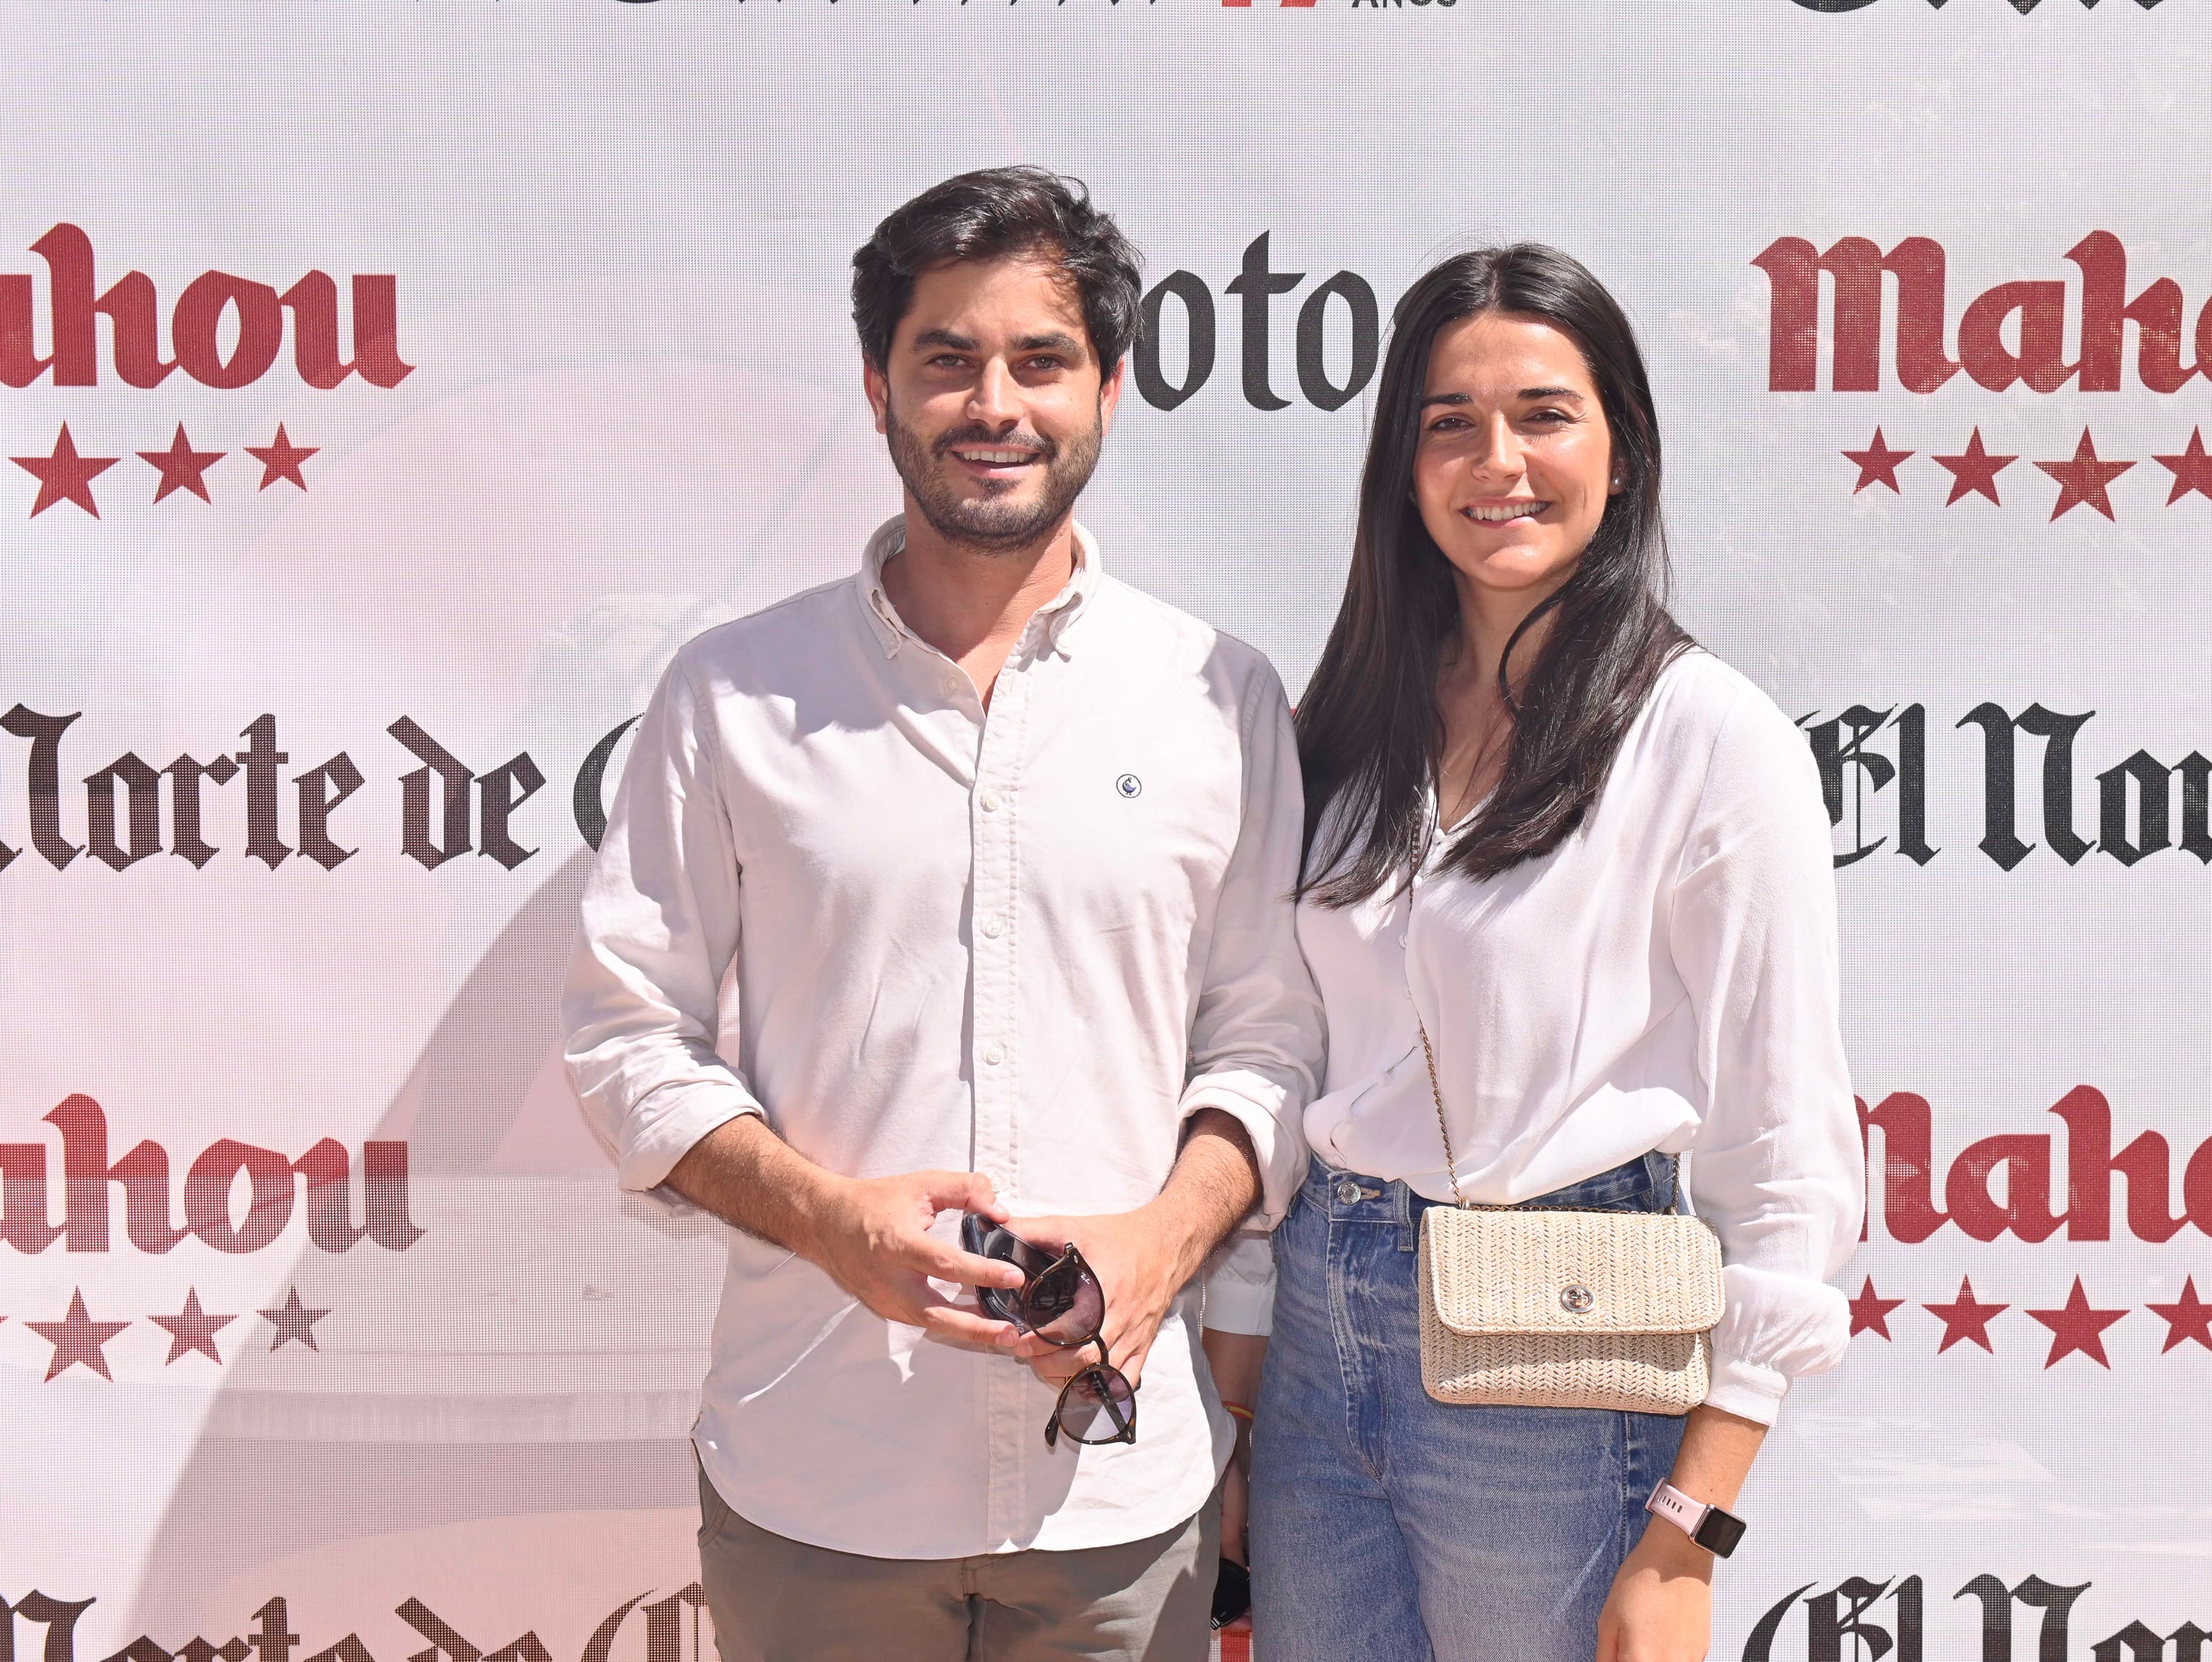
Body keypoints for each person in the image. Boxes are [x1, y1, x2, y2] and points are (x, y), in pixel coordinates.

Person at [561, 166, 1322, 1662]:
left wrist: (1166, 1242)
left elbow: (1272, 1037)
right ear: (876, 386)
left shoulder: (1215, 697)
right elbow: (620, 1032)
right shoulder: (731, 697)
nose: (995, 402)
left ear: (1107, 384)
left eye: (1040, 360)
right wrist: (832, 1224)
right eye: (946, 358)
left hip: (1117, 1497)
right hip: (817, 1476)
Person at [1228, 245, 1867, 1662]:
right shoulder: (1347, 727)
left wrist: (1689, 1533)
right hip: (1323, 1336)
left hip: (1558, 1355)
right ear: (1401, 467)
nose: (1496, 460)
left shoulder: (1708, 737)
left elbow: (1790, 1149)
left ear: (1623, 449)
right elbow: (1293, 1052)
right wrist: (1246, 1366)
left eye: (1543, 413)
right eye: (1448, 422)